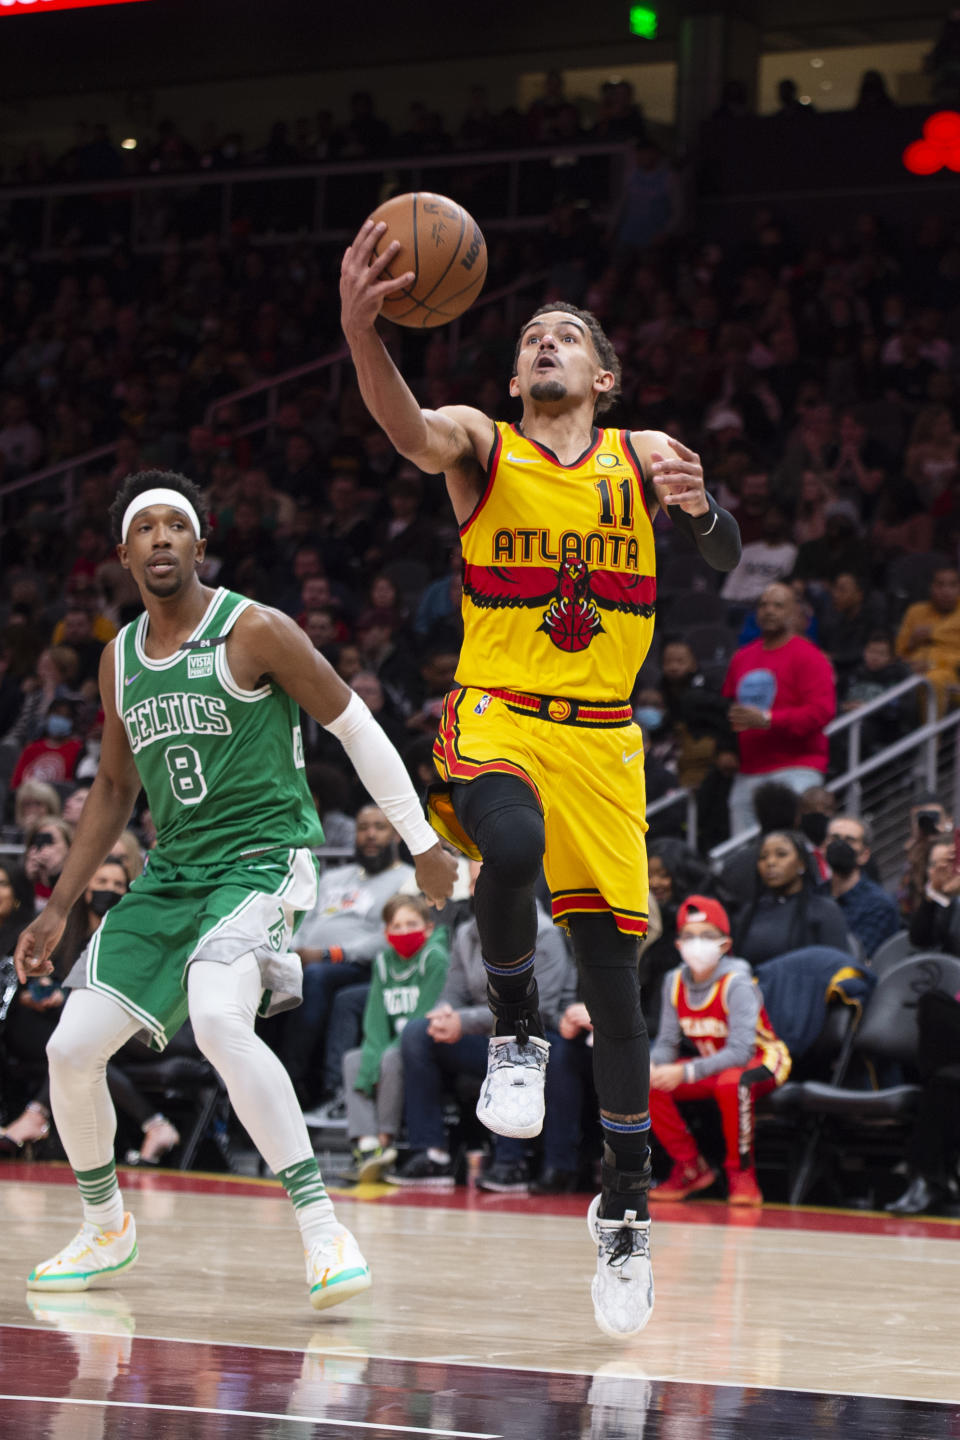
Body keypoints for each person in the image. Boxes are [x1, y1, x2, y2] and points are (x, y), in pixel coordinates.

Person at [341, 226, 742, 1337]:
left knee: (617, 986)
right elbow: (407, 426)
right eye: (530, 339)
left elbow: (719, 559)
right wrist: (361, 331)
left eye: (566, 336)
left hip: (607, 743)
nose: (545, 345)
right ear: (517, 379)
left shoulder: (643, 453)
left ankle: (623, 1204)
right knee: (505, 852)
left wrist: (702, 510)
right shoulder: (484, 445)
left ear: (603, 376)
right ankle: (514, 1023)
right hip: (501, 715)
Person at [13, 468, 456, 1311]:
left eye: (176, 525)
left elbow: (355, 725)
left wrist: (422, 839)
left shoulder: (254, 629)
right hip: (173, 871)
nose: (162, 540)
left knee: (218, 1016)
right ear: (124, 554)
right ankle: (106, 1227)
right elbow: (112, 790)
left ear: (200, 542)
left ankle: (325, 1231)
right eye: (146, 530)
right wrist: (62, 903)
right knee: (69, 1050)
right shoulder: (118, 661)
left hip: (262, 859)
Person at [648, 895, 791, 1206]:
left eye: (707, 936)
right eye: (689, 936)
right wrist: (652, 1065)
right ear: (678, 944)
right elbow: (667, 1044)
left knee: (732, 1083)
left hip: (762, 1058)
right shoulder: (673, 981)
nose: (697, 943)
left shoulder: (737, 981)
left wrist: (685, 1071)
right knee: (647, 1084)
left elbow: (741, 1051)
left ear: (725, 944)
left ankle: (742, 1174)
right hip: (714, 1064)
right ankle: (690, 1167)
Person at [279, 804, 417, 1111]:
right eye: (363, 828)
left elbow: (391, 938)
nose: (369, 835)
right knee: (268, 976)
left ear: (395, 835)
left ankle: (292, 1080)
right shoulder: (334, 878)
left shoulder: (407, 880)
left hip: (364, 967)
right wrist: (294, 951)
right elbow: (304, 921)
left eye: (379, 828)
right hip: (307, 961)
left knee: (316, 977)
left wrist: (331, 954)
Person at [342, 893, 450, 1183]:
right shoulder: (382, 962)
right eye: (397, 926)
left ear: (428, 927)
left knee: (391, 1056)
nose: (404, 932)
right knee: (354, 1060)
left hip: (426, 1046)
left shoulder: (435, 958)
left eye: (411, 924)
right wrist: (369, 1062)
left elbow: (422, 1015)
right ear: (386, 932)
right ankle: (367, 1147)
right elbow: (375, 1021)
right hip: (393, 1041)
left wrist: (380, 1057)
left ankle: (384, 1140)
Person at [723, 583, 836, 834]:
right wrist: (726, 749)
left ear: (795, 612)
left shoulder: (810, 656)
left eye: (778, 605)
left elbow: (821, 711)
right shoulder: (742, 658)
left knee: (790, 846)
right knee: (743, 855)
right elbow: (728, 708)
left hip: (797, 768)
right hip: (749, 771)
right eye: (763, 605)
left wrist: (768, 719)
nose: (769, 610)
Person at [734, 831, 850, 967]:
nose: (770, 862)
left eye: (781, 854)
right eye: (763, 857)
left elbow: (840, 967)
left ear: (801, 863)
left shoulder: (824, 909)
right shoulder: (749, 913)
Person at [825, 815, 901, 960]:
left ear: (864, 855)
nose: (840, 845)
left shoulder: (879, 904)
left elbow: (857, 957)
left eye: (850, 840)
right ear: (824, 847)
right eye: (835, 838)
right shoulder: (813, 895)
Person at [895, 565, 960, 715]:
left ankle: (931, 738)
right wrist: (913, 642)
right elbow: (899, 651)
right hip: (914, 672)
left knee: (934, 679)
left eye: (952, 585)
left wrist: (933, 636)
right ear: (931, 587)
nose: (946, 591)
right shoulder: (916, 611)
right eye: (940, 585)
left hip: (953, 677)